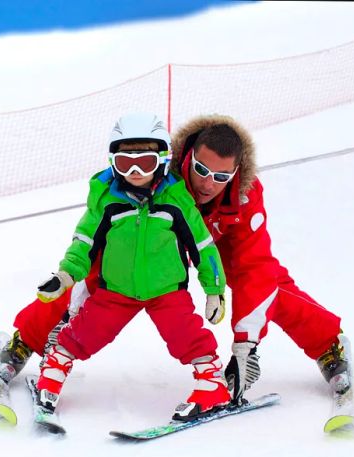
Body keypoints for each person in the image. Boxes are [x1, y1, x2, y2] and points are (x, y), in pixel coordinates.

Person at [0, 113, 349, 407]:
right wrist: (72, 300)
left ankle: (328, 345)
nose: (209, 184)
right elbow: (90, 245)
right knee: (97, 273)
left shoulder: (244, 196)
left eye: (222, 177)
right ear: (187, 156)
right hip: (155, 242)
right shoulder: (163, 175)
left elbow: (254, 267)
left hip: (215, 241)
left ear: (236, 171)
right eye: (202, 170)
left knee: (269, 283)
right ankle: (26, 339)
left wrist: (246, 344)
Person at [31, 112, 231, 421]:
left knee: (187, 335)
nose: (135, 171)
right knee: (85, 332)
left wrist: (214, 290)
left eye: (146, 163)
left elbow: (203, 247)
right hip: (117, 290)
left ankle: (211, 384)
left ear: (162, 161)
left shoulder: (176, 202)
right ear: (113, 162)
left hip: (167, 291)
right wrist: (66, 275)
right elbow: (84, 242)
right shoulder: (107, 201)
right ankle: (53, 370)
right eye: (125, 163)